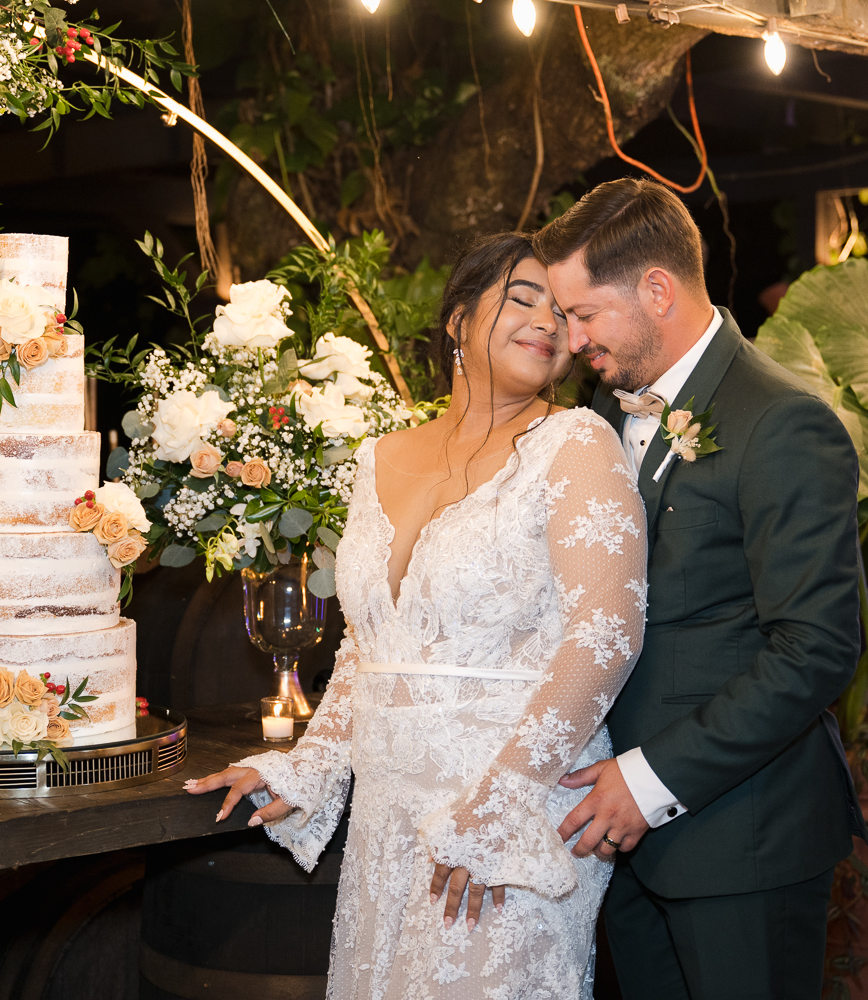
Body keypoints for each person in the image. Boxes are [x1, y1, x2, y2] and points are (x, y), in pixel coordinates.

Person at [185, 231, 649, 999]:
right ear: (459, 319)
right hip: (389, 820)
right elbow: (370, 649)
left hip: (514, 815)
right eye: (521, 297)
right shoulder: (378, 459)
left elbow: (606, 635)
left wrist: (495, 813)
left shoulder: (576, 442)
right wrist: (311, 767)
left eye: (562, 312)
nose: (548, 323)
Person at [534, 177, 867, 999]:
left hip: (742, 840)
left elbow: (815, 648)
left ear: (657, 289)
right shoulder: (601, 417)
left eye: (583, 314)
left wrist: (648, 781)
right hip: (617, 842)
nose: (571, 340)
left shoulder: (782, 420)